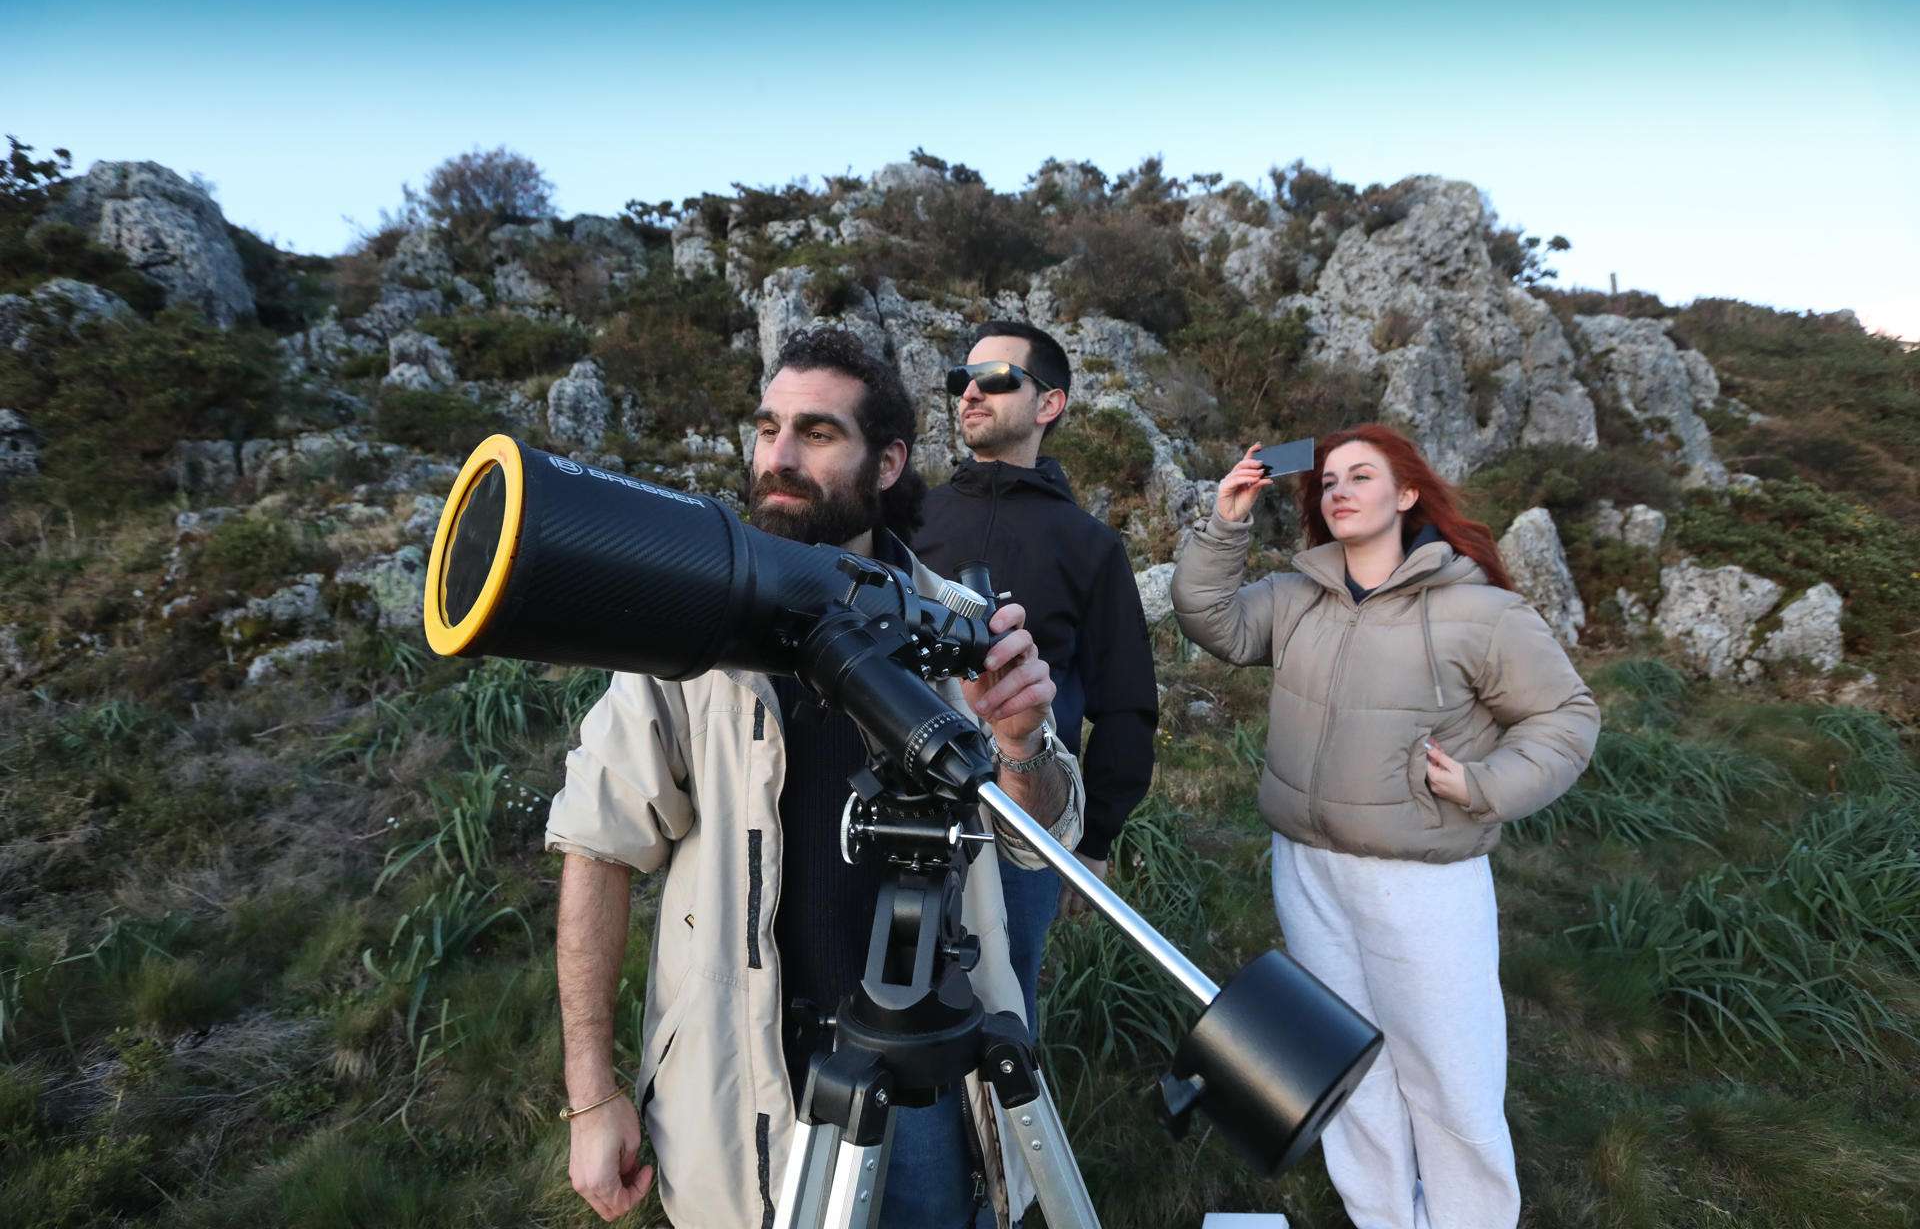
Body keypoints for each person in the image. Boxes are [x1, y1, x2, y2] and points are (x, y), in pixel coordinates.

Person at [547, 327, 1084, 1229]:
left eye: (819, 433)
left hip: (928, 1076)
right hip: (741, 1075)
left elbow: (1041, 837)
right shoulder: (692, 633)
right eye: (768, 429)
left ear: (888, 463)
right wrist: (592, 1095)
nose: (779, 458)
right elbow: (598, 844)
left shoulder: (958, 621)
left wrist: (1023, 741)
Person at [1170, 423, 1598, 1229]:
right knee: (1348, 1066)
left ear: (1406, 493)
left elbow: (1567, 717)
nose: (1339, 490)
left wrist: (1482, 784)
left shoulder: (1480, 611)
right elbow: (1210, 618)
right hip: (1308, 868)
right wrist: (1226, 521)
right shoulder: (1297, 596)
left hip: (1423, 881)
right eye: (1328, 480)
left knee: (1449, 1077)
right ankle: (1382, 1218)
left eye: (1360, 475)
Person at [913, 319, 1158, 1033]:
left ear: (1049, 404)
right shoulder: (913, 518)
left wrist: (1095, 839)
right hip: (900, 803)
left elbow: (1126, 702)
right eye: (962, 380)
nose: (970, 394)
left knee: (1002, 1019)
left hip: (1023, 823)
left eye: (995, 379)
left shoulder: (1089, 544)